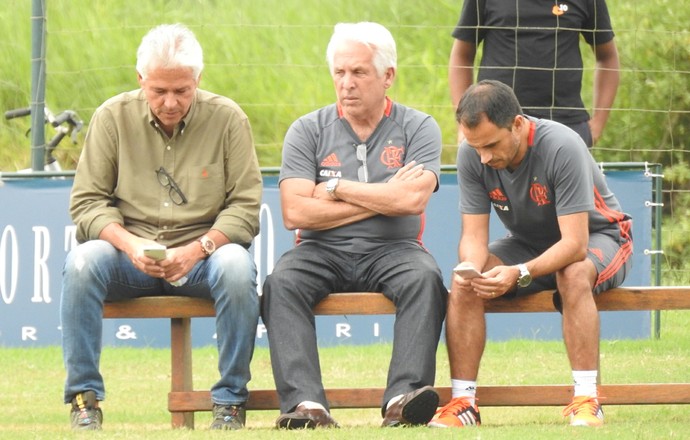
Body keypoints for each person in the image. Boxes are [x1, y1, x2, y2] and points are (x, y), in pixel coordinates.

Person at [60, 24, 262, 431]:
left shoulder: (228, 119)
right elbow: (87, 203)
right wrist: (130, 244)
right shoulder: (111, 118)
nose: (170, 102)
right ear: (141, 80)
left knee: (238, 268)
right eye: (158, 91)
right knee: (82, 262)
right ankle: (84, 399)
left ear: (198, 81)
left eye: (182, 91)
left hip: (203, 258)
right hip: (128, 259)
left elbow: (244, 207)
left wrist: (198, 248)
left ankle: (229, 402)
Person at [260, 22, 448, 429]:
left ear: (387, 76)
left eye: (359, 72)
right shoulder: (307, 130)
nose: (346, 83)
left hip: (395, 252)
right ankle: (307, 406)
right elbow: (295, 212)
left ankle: (403, 399)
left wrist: (334, 188)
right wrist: (383, 198)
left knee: (426, 278)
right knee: (282, 282)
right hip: (318, 250)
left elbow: (412, 200)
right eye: (339, 73)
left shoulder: (419, 127)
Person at [429, 80, 632, 428]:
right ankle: (464, 403)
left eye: (491, 144)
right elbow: (474, 237)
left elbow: (574, 245)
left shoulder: (561, 146)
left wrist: (519, 272)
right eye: (475, 147)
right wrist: (472, 269)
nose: (485, 157)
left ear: (518, 125)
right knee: (462, 282)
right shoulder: (473, 154)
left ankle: (586, 399)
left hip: (600, 237)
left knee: (572, 272)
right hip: (527, 244)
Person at [449, 0, 620, 147]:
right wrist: (464, 126)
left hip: (565, 126)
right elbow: (462, 56)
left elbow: (607, 57)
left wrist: (597, 125)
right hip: (497, 126)